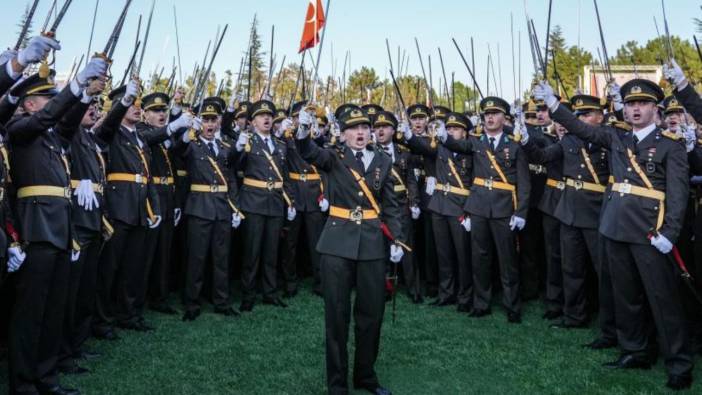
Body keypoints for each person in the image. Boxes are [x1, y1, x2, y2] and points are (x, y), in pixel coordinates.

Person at [534, 78, 693, 390]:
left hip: (650, 232)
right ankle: (635, 350)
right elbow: (582, 129)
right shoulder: (616, 135)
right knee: (626, 295)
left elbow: (678, 194)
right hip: (614, 226)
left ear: (655, 109)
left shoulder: (669, 145)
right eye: (631, 104)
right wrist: (554, 104)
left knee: (662, 300)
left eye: (642, 104)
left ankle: (679, 363)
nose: (635, 109)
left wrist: (670, 233)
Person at [7, 55, 108, 395]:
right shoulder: (19, 129)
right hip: (36, 230)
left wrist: (84, 94)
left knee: (53, 311)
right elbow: (50, 117)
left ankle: (46, 377)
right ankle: (23, 383)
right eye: (48, 99)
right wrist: (76, 84)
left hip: (61, 230)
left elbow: (66, 119)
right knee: (30, 313)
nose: (53, 106)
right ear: (30, 103)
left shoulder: (54, 139)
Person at [295, 105, 403, 395]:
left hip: (371, 244)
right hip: (337, 242)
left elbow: (391, 204)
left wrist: (397, 240)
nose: (360, 133)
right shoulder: (333, 156)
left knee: (371, 315)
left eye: (364, 128)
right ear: (342, 135)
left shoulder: (382, 159)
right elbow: (308, 152)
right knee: (337, 316)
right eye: (353, 129)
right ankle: (338, 385)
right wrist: (303, 131)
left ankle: (366, 377)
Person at [437, 97, 530, 323]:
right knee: (479, 258)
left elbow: (524, 183)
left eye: (495, 113)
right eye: (486, 114)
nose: (490, 117)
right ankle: (481, 303)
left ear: (503, 118)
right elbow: (456, 144)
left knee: (507, 260)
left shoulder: (514, 145)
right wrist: (443, 134)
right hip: (478, 207)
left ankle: (512, 305)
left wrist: (521, 213)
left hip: (504, 208)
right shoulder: (476, 142)